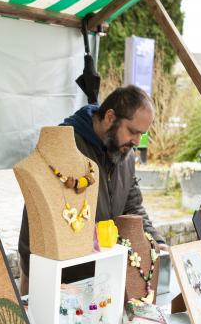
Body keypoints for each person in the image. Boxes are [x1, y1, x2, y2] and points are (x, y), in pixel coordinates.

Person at [17, 85, 165, 292]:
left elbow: (133, 208)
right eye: (132, 131)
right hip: (57, 274)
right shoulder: (65, 146)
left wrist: (156, 242)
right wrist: (37, 274)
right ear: (110, 117)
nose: (136, 142)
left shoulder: (124, 154)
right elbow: (37, 216)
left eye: (141, 134)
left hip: (101, 271)